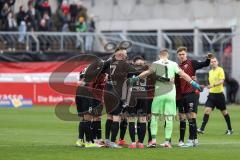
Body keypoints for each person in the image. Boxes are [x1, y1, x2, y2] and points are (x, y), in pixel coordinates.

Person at [130, 49, 202, 148]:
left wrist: (136, 78)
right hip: (171, 94)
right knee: (169, 118)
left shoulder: (155, 63)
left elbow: (146, 73)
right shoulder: (173, 64)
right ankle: (167, 142)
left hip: (159, 93)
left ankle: (153, 141)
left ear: (160, 56)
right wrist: (194, 83)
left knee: (154, 117)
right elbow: (184, 75)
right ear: (167, 55)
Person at [176, 46, 212, 147]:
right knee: (186, 117)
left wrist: (208, 59)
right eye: (180, 55)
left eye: (183, 54)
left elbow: (204, 64)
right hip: (182, 95)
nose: (182, 56)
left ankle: (192, 140)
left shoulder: (192, 63)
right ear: (178, 56)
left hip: (192, 93)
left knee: (192, 116)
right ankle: (194, 139)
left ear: (186, 54)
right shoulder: (178, 67)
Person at [104, 47, 135, 148]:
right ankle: (113, 142)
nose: (125, 55)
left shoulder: (108, 62)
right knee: (116, 117)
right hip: (117, 93)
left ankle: (107, 140)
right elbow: (136, 73)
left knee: (109, 116)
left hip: (107, 92)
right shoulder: (124, 64)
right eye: (124, 53)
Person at [197, 57, 233, 135]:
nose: (213, 62)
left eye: (214, 61)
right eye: (212, 61)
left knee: (224, 112)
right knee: (207, 110)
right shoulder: (210, 72)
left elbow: (221, 81)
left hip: (219, 95)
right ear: (210, 63)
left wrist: (212, 85)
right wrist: (207, 86)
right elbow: (210, 84)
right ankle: (202, 129)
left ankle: (230, 129)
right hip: (211, 95)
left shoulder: (220, 70)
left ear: (217, 62)